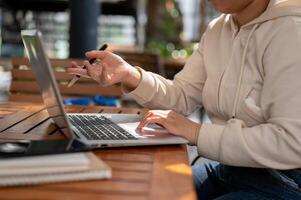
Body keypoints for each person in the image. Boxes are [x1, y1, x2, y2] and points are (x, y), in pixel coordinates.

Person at [67, 0, 301, 199]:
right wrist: (130, 75)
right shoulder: (218, 30)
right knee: (148, 192)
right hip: (231, 168)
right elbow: (181, 96)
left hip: (285, 181)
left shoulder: (292, 30)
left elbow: (292, 142)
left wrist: (196, 133)